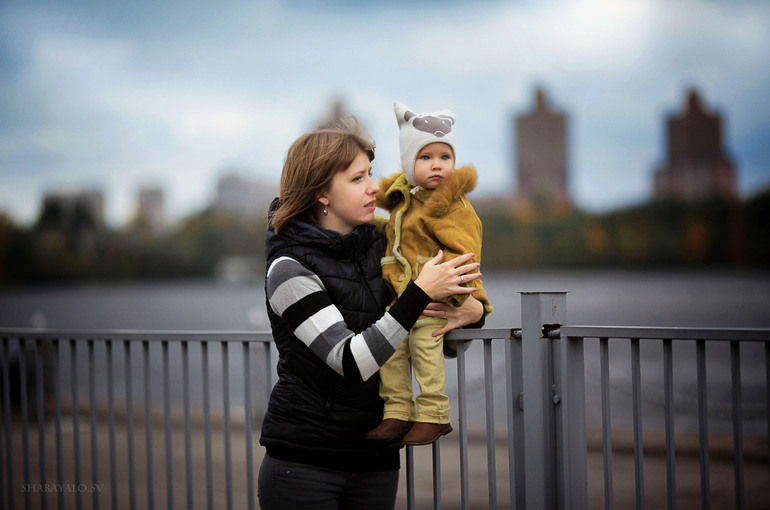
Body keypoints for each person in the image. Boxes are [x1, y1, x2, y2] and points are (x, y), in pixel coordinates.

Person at [257, 117, 485, 510]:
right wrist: (418, 294)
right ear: (322, 193)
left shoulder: (386, 246)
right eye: (357, 178)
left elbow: (428, 325)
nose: (373, 187)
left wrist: (472, 311)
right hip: (306, 464)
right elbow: (351, 360)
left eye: (371, 173)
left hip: (377, 460)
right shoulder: (288, 269)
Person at [366, 103, 493, 446]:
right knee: (390, 348)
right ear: (408, 163)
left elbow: (466, 254)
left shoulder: (451, 206)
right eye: (425, 157)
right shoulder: (406, 202)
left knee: (425, 344)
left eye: (445, 157)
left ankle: (434, 414)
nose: (437, 164)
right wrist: (369, 224)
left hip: (434, 298)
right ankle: (397, 411)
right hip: (403, 299)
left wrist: (458, 296)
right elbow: (395, 233)